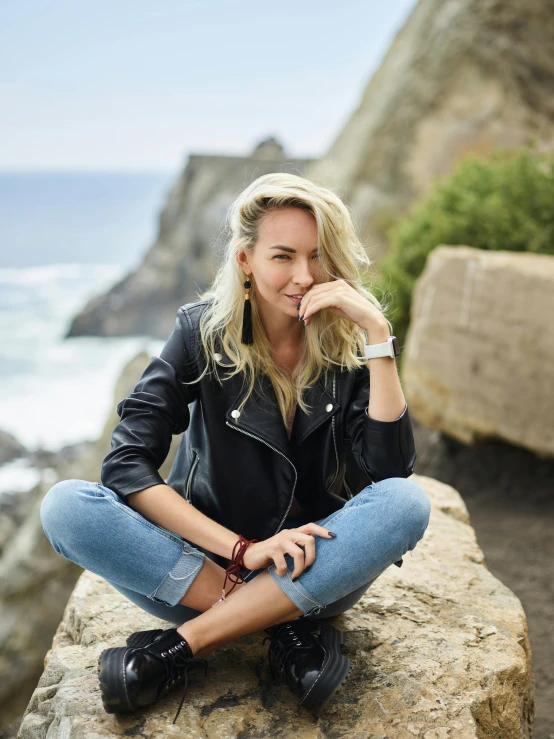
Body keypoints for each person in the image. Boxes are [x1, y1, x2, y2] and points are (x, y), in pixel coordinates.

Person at [40, 172, 431, 724]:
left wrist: (377, 334)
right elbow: (126, 466)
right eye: (283, 256)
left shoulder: (349, 346)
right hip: (203, 570)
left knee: (406, 504)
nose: (303, 275)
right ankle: (285, 629)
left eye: (318, 257)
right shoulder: (200, 333)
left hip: (315, 572)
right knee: (64, 507)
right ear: (245, 260)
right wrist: (244, 552)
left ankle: (180, 648)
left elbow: (390, 469)